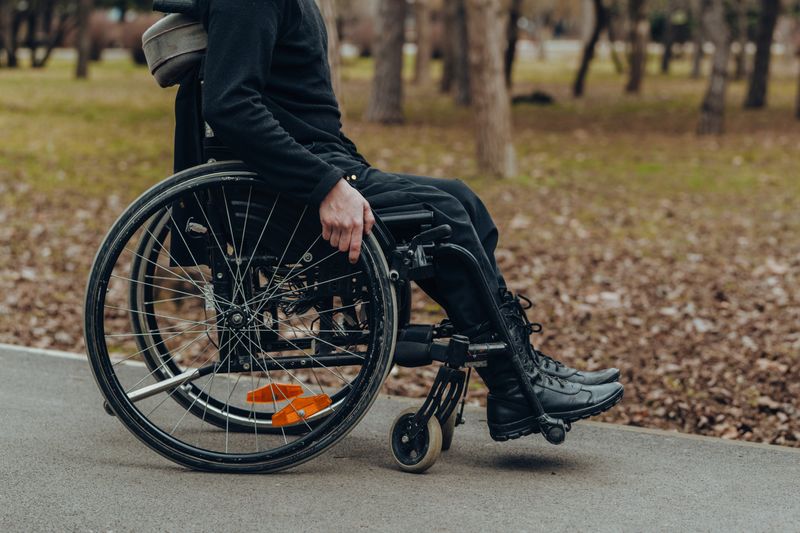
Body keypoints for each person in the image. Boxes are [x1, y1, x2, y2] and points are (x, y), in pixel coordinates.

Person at [173, 0, 623, 441]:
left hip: (320, 163)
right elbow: (230, 105)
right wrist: (328, 185)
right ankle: (516, 386)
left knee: (462, 200)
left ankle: (518, 363)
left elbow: (303, 112)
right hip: (288, 189)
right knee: (441, 217)